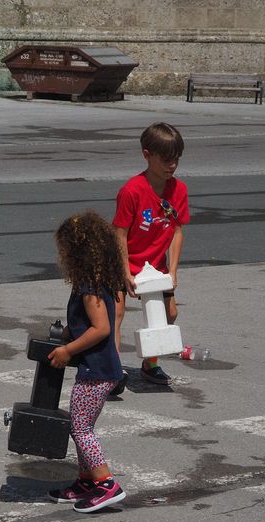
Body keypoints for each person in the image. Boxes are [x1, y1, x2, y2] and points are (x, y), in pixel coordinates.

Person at [46, 211, 127, 513]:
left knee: (80, 428)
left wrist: (69, 350)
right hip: (99, 367)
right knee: (83, 424)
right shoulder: (95, 280)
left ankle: (106, 483)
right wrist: (70, 332)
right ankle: (85, 480)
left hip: (98, 369)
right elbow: (90, 323)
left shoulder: (88, 286)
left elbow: (101, 328)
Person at [112, 122, 190, 386]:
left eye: (176, 159)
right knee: (115, 312)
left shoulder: (178, 190)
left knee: (169, 314)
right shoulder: (132, 190)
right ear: (147, 154)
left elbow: (177, 231)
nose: (172, 166)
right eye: (167, 159)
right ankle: (111, 368)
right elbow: (119, 234)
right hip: (122, 262)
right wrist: (124, 271)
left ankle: (150, 364)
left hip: (154, 266)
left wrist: (173, 270)